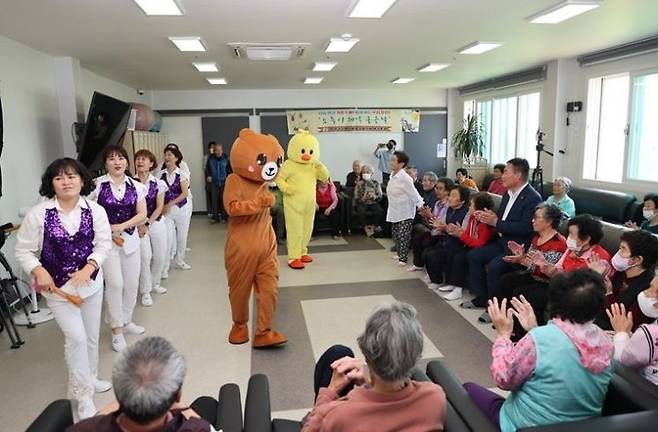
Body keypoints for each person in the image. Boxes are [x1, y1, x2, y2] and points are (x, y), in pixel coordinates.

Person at [15, 158, 113, 419]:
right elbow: (23, 250)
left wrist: (89, 267)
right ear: (51, 184)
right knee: (77, 339)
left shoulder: (95, 210)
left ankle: (91, 377)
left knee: (91, 336)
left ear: (82, 180)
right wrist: (38, 270)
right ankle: (83, 396)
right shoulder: (39, 214)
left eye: (71, 176)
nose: (66, 181)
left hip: (91, 286)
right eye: (59, 178)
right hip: (57, 291)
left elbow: (104, 245)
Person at [465, 270, 614, 432]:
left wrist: (503, 335)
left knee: (468, 389)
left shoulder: (541, 339)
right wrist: (533, 329)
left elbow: (503, 379)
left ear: (554, 302)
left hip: (524, 426)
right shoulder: (607, 342)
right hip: (582, 427)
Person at [301, 302, 446, 432]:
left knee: (336, 354)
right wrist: (369, 372)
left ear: (364, 347)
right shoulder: (435, 397)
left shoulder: (340, 416)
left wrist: (330, 391)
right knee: (339, 353)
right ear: (417, 352)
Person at [69, 336, 220, 431]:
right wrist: (184, 410)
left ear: (118, 393)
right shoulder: (198, 428)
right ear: (178, 395)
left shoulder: (81, 429)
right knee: (207, 403)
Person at [223, 129, 287, 347]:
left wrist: (269, 202)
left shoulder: (263, 183)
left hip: (266, 245)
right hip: (241, 248)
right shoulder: (234, 180)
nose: (271, 166)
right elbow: (231, 208)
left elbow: (268, 207)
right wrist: (258, 204)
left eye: (276, 161)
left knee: (269, 290)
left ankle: (263, 331)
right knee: (239, 291)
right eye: (263, 160)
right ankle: (239, 325)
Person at [464, 158, 543, 322]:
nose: (502, 176)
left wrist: (496, 222)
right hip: (501, 241)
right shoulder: (508, 194)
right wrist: (492, 219)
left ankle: (494, 310)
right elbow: (502, 220)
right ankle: (481, 298)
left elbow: (526, 228)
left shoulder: (533, 198)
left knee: (495, 267)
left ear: (518, 175)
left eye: (506, 172)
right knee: (474, 256)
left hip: (517, 247)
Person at [89, 145, 147, 352]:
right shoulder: (97, 185)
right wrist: (105, 229)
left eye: (121, 158)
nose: (117, 162)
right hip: (107, 244)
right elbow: (87, 213)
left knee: (132, 284)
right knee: (115, 285)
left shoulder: (136, 185)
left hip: (130, 240)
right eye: (112, 159)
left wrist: (122, 226)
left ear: (127, 162)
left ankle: (127, 320)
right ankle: (116, 329)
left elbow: (142, 214)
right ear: (105, 163)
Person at [497, 203, 567, 338]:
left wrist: (524, 261)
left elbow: (547, 271)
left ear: (549, 221)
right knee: (506, 280)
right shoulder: (537, 237)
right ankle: (505, 321)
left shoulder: (559, 243)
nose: (532, 220)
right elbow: (531, 261)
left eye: (537, 217)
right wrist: (521, 256)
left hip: (547, 282)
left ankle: (523, 333)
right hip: (534, 276)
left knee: (522, 293)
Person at [594, 229, 658, 331]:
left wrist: (609, 294)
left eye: (623, 249)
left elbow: (623, 322)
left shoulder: (649, 288)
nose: (618, 253)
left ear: (637, 260)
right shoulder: (621, 272)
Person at [438, 192, 497, 301]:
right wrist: (460, 232)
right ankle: (452, 283)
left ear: (479, 208)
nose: (469, 207)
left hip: (482, 248)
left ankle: (458, 289)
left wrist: (461, 234)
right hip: (471, 244)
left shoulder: (486, 223)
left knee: (461, 257)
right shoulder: (472, 217)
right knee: (454, 251)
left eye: (471, 205)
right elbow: (469, 235)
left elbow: (479, 244)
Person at [134, 149, 168, 308]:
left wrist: (148, 224)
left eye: (144, 159)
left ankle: (155, 283)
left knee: (160, 256)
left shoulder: (159, 183)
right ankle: (146, 291)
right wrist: (141, 224)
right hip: (137, 225)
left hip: (155, 222)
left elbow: (160, 206)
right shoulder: (130, 182)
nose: (140, 162)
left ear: (151, 163)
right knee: (145, 257)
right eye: (138, 159)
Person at [607, 280, 658, 386]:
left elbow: (621, 362)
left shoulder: (651, 333)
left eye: (651, 289)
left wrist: (621, 332)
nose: (646, 292)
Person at [423, 185, 470, 289]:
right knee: (427, 253)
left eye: (453, 196)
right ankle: (436, 280)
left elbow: (463, 231)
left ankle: (449, 283)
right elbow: (441, 223)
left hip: (459, 243)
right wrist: (440, 225)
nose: (449, 198)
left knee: (441, 255)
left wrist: (445, 228)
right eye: (450, 195)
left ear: (462, 200)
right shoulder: (449, 209)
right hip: (447, 240)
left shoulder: (467, 212)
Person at [386, 151, 424, 266]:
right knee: (395, 234)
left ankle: (403, 258)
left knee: (403, 235)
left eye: (393, 160)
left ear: (401, 164)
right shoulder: (392, 175)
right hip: (394, 210)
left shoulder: (405, 178)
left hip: (405, 211)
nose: (391, 162)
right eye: (391, 160)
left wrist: (421, 206)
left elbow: (414, 194)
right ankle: (399, 253)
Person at [409, 177, 453, 272]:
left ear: (448, 191)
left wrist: (430, 215)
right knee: (417, 238)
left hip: (443, 234)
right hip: (434, 231)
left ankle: (431, 270)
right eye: (436, 188)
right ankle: (418, 264)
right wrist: (426, 216)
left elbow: (441, 223)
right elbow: (432, 223)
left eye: (440, 188)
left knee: (427, 242)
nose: (437, 191)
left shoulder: (449, 205)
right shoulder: (438, 203)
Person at [160, 145, 193, 271]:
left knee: (181, 237)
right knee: (168, 238)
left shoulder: (181, 174)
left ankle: (180, 260)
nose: (167, 157)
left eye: (170, 155)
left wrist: (170, 203)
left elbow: (184, 193)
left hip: (181, 210)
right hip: (167, 213)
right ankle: (166, 265)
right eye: (166, 155)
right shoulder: (160, 174)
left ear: (176, 158)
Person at [353, 164, 383, 237]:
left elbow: (380, 196)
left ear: (371, 173)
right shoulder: (359, 184)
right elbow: (356, 197)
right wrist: (363, 198)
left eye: (367, 172)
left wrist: (374, 197)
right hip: (362, 202)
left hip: (373, 202)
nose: (365, 174)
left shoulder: (376, 183)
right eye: (364, 172)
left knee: (379, 211)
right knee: (360, 211)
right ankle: (365, 227)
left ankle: (373, 227)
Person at [206, 143, 230, 223]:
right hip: (214, 182)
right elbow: (207, 169)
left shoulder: (226, 158)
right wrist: (208, 175)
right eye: (217, 150)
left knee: (224, 200)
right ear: (214, 151)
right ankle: (215, 217)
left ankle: (224, 217)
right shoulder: (210, 158)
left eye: (220, 150)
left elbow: (229, 170)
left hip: (224, 182)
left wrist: (229, 178)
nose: (219, 152)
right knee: (214, 200)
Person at [203, 141, 215, 217]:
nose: (213, 149)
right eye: (211, 148)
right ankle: (211, 212)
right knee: (210, 195)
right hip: (209, 179)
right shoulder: (206, 157)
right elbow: (205, 168)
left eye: (214, 148)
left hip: (218, 180)